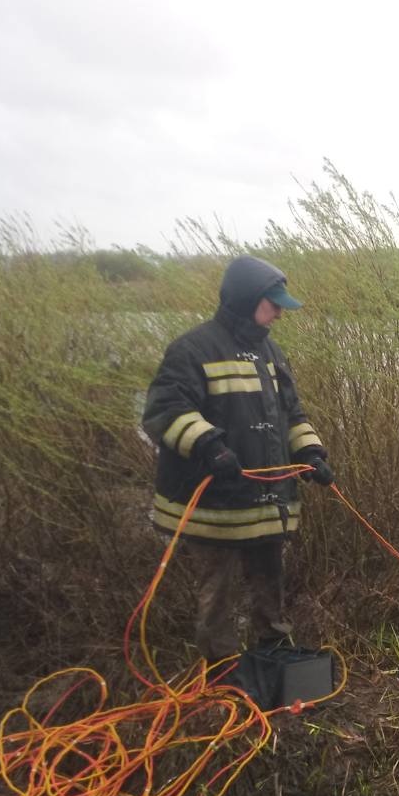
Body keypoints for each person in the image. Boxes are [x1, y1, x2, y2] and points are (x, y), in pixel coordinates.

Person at [141, 254, 334, 666]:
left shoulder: (272, 352)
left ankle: (273, 651)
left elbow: (292, 415)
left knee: (270, 580)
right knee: (219, 591)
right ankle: (221, 670)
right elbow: (164, 411)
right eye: (273, 303)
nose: (280, 312)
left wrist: (312, 453)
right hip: (213, 505)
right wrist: (209, 445)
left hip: (266, 502)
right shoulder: (193, 349)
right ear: (247, 301)